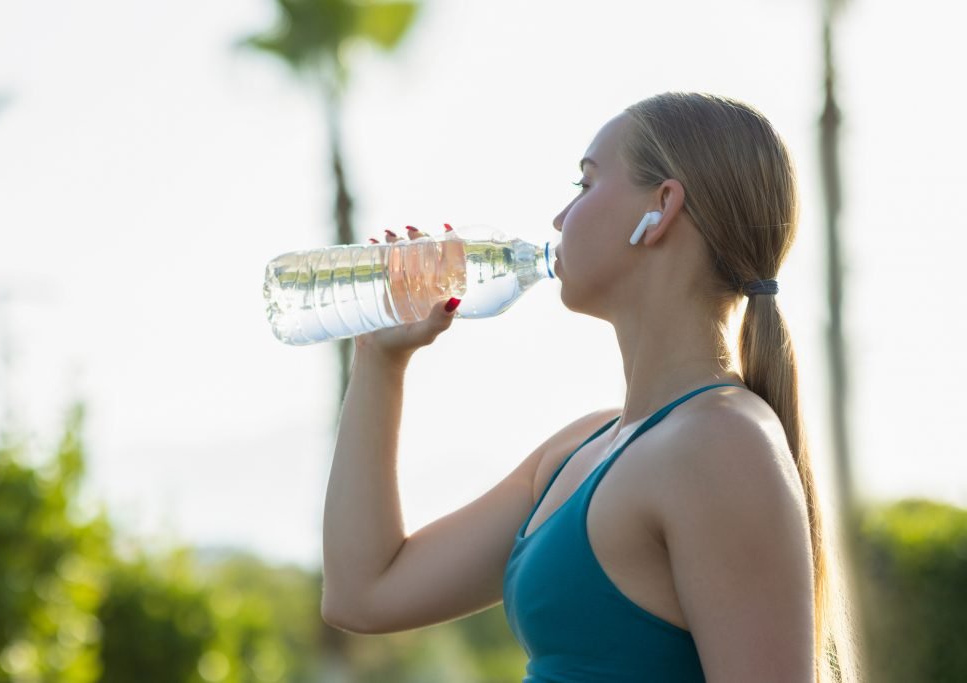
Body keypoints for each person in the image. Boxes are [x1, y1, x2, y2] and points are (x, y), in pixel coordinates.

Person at [320, 92, 860, 682]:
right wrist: (379, 360)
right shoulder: (580, 449)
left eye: (584, 184)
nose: (558, 220)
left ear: (660, 208)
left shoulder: (722, 443)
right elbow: (363, 594)